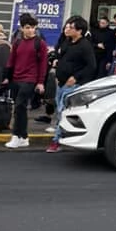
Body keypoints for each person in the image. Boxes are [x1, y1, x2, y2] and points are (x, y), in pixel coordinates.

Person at [46, 16, 96, 153]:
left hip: (73, 84)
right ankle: (61, 136)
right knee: (59, 110)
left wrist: (76, 77)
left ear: (79, 31)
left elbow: (91, 66)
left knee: (63, 110)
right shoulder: (66, 42)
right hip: (61, 82)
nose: (67, 30)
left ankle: (56, 140)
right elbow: (61, 56)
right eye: (67, 27)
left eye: (71, 28)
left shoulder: (85, 45)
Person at [2, 13, 48, 149]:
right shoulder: (17, 42)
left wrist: (40, 82)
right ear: (22, 28)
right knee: (19, 109)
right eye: (28, 27)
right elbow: (11, 60)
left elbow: (43, 64)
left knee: (20, 106)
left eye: (33, 27)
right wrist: (6, 76)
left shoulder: (40, 43)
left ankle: (16, 136)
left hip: (30, 79)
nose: (31, 30)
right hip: (16, 78)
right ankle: (23, 137)